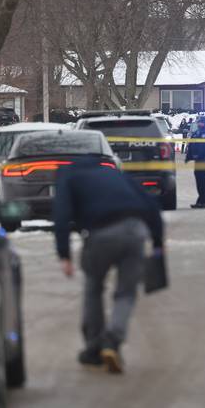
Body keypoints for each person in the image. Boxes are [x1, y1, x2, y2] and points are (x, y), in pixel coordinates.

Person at [53, 156, 164, 374]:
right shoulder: (114, 173)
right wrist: (158, 242)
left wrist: (64, 254)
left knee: (94, 288)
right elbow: (151, 204)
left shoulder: (67, 176)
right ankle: (112, 341)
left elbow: (62, 215)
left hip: (100, 234)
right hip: (135, 232)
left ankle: (94, 349)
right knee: (126, 293)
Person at [185, 116, 205, 208]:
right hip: (198, 162)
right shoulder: (196, 133)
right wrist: (188, 157)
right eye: (198, 122)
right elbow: (191, 146)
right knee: (199, 182)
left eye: (201, 122)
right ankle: (200, 201)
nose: (199, 124)